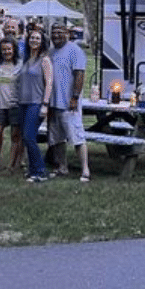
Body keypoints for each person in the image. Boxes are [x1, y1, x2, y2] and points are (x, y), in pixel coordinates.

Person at [47, 23, 90, 182]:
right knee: (56, 138)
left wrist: (75, 97)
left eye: (60, 32)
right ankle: (62, 167)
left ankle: (85, 170)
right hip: (53, 103)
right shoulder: (51, 52)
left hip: (69, 103)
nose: (56, 35)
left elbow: (79, 75)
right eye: (54, 32)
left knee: (76, 136)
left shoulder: (75, 50)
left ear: (67, 33)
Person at [0, 17, 26, 170]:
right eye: (7, 27)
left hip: (16, 102)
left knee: (17, 134)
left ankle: (16, 162)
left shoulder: (25, 47)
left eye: (13, 27)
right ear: (3, 29)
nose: (10, 30)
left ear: (19, 30)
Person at [17, 28, 53, 183]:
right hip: (23, 103)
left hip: (36, 102)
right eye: (32, 38)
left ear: (42, 41)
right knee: (25, 138)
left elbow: (49, 83)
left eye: (37, 38)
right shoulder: (26, 59)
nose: (34, 41)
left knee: (29, 136)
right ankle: (33, 170)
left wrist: (45, 104)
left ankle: (40, 171)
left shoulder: (44, 60)